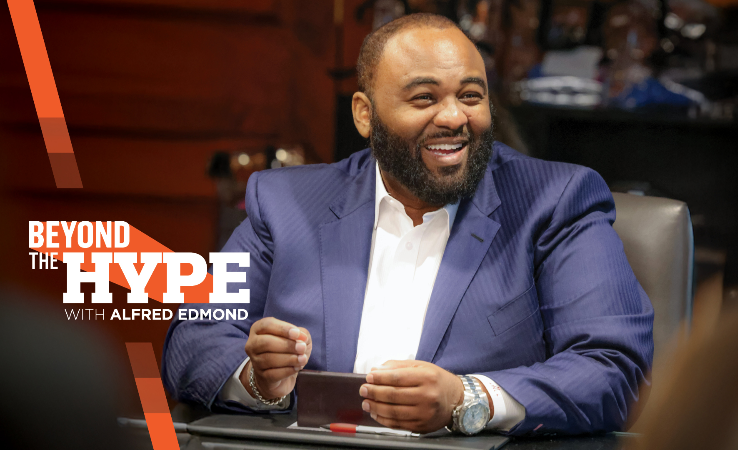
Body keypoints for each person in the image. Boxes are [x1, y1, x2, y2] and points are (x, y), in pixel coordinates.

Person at [162, 13, 653, 436]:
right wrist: (256, 380)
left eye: (471, 95)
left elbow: (614, 368)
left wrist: (467, 400)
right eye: (424, 98)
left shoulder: (555, 202)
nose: (454, 117)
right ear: (365, 115)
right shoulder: (284, 203)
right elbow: (192, 338)